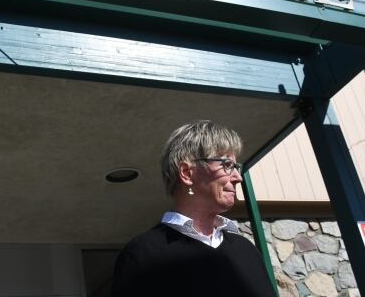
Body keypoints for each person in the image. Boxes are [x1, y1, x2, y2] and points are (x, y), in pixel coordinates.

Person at [111, 120, 276, 297]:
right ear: (187, 173)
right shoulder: (142, 255)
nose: (238, 177)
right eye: (227, 165)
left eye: (236, 167)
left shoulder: (246, 250)